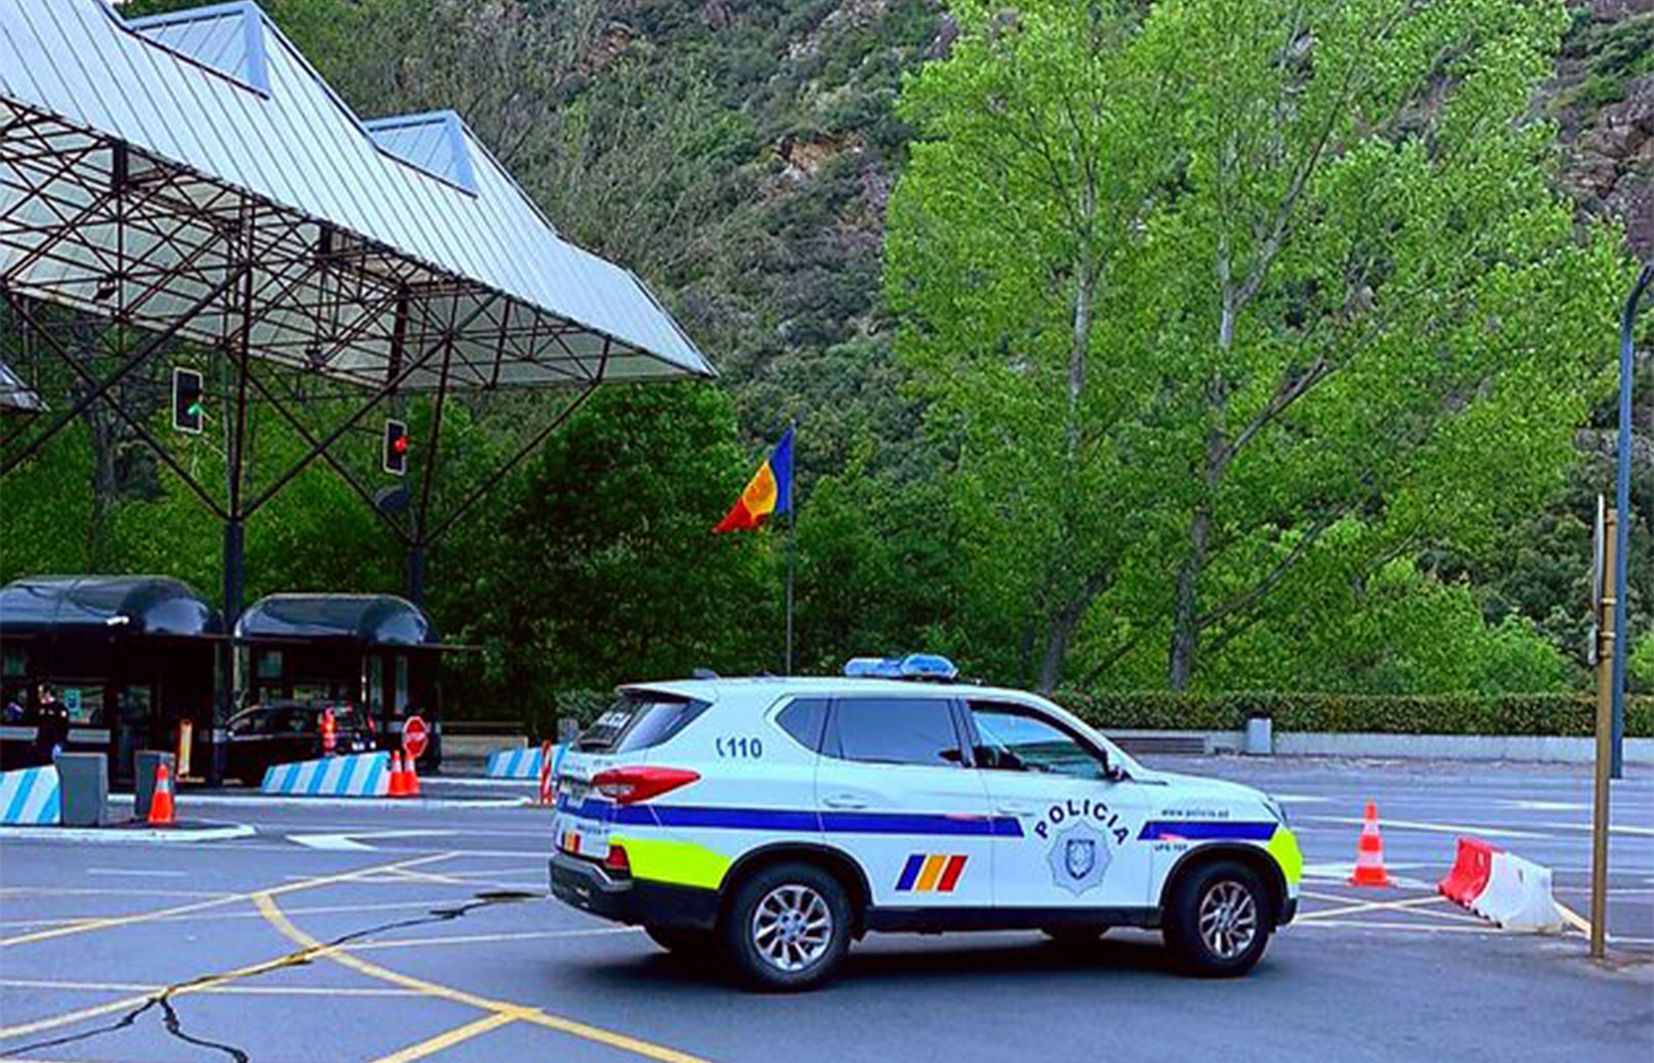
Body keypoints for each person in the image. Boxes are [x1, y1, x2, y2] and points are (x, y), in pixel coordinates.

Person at [34, 684, 69, 764]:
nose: (39, 695)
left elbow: (64, 727)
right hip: (42, 743)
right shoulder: (40, 707)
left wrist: (60, 743)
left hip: (54, 743)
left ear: (48, 693)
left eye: (41, 692)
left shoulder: (59, 707)